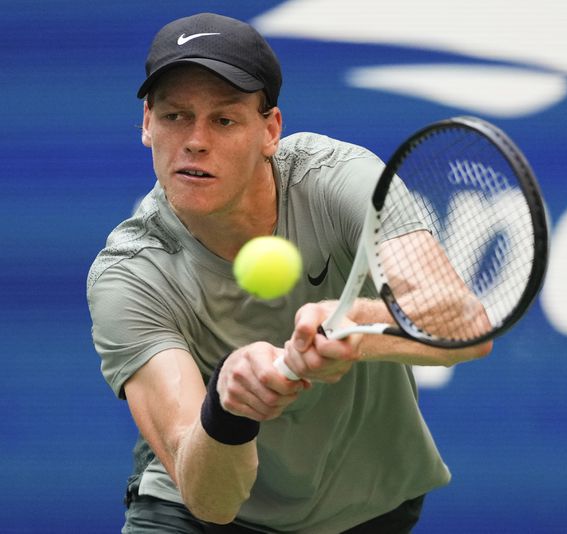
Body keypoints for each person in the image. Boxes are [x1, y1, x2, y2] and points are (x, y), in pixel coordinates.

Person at [87, 12, 492, 533]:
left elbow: (468, 327)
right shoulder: (130, 275)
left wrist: (350, 327)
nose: (195, 140)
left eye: (225, 120)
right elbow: (207, 499)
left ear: (270, 131)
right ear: (147, 123)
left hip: (362, 509)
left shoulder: (339, 179)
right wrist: (228, 410)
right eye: (175, 116)